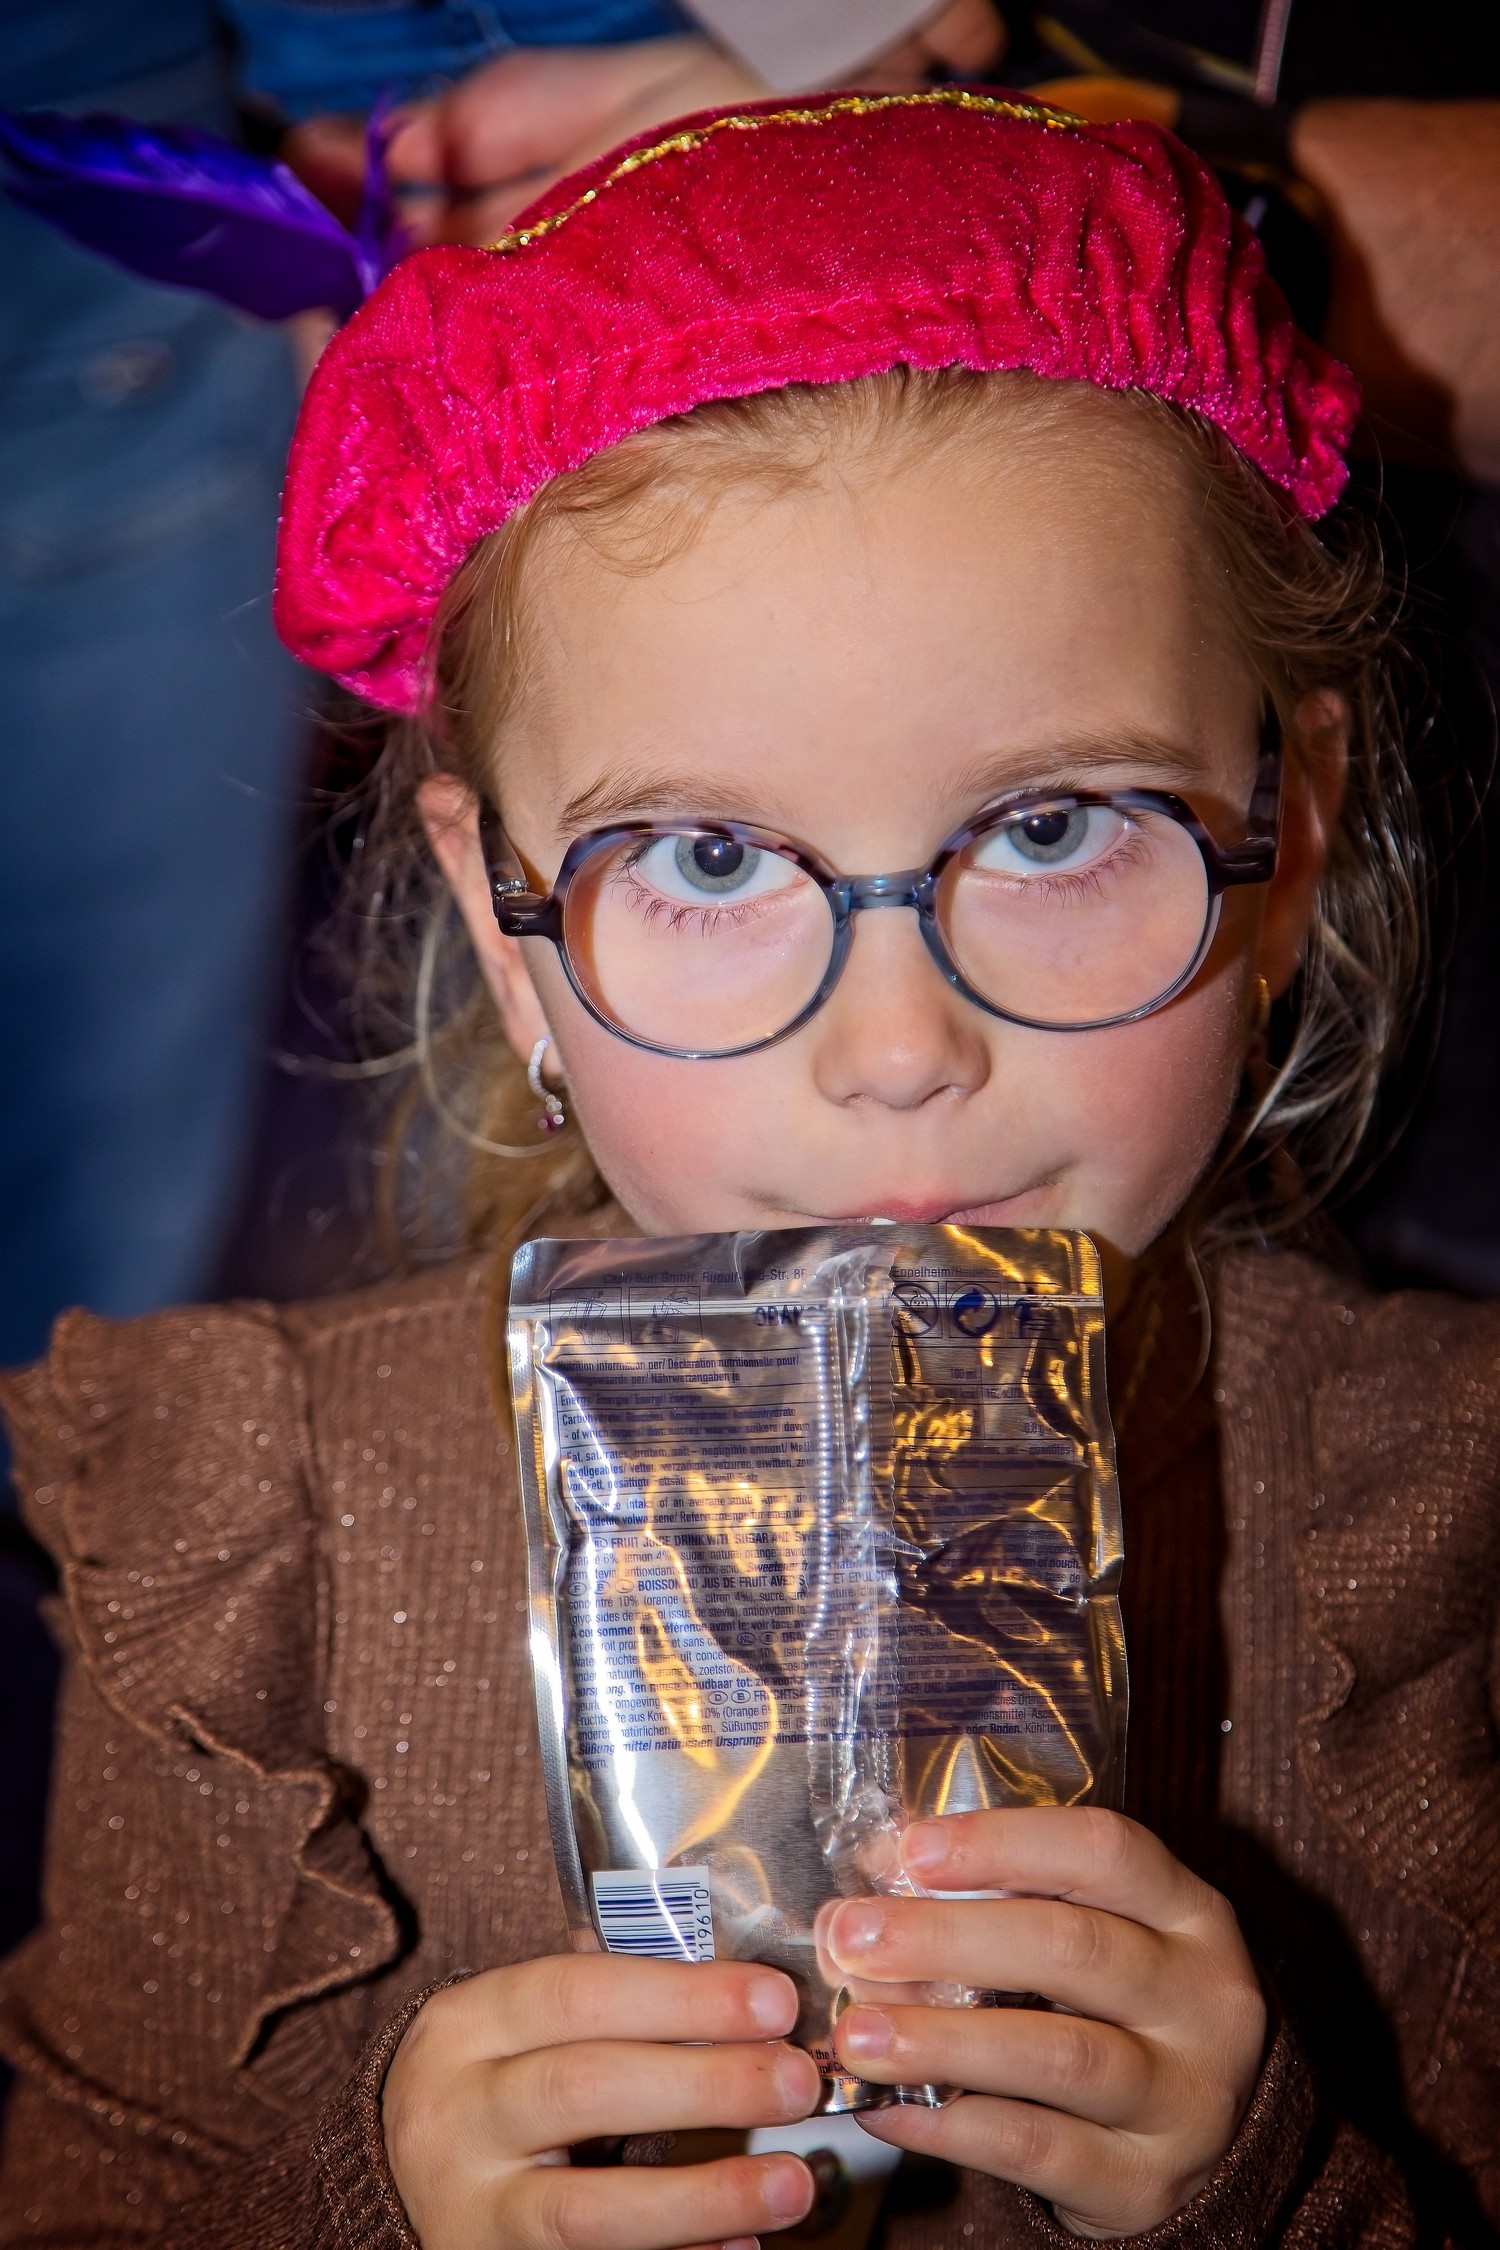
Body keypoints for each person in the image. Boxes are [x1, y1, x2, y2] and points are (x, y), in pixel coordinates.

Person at [0, 87, 1494, 2247]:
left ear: (1292, 839)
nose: (898, 1051)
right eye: (709, 859)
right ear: (504, 920)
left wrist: (1259, 2190)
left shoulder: (1445, 1529)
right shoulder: (261, 1543)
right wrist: (382, 2208)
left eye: (1051, 826)